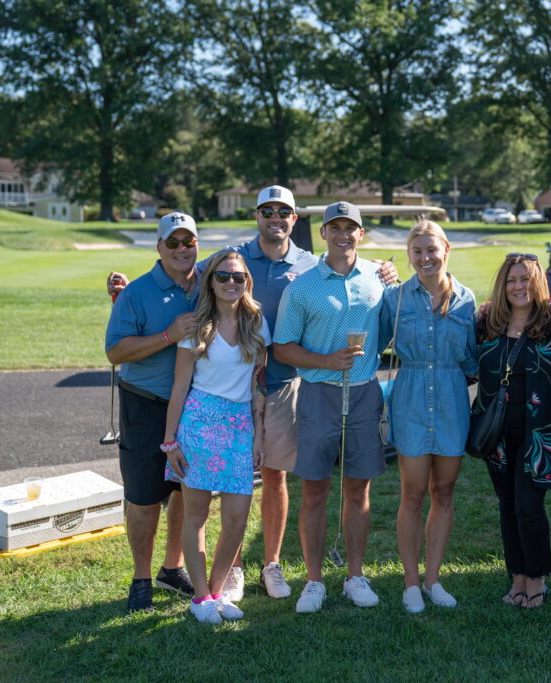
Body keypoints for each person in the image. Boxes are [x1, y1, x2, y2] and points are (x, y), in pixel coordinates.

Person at [107, 187, 397, 602]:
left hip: (280, 387)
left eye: (284, 211)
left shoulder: (312, 263)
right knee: (205, 490)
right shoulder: (234, 256)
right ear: (258, 215)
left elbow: (350, 269)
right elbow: (186, 271)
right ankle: (230, 570)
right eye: (267, 211)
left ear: (295, 220)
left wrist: (385, 271)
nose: (275, 217)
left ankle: (272, 563)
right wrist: (125, 289)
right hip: (219, 397)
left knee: (273, 477)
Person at [273, 201, 387, 614]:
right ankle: (315, 580)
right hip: (319, 393)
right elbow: (282, 347)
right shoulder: (302, 286)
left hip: (363, 392)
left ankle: (355, 575)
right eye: (334, 227)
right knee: (316, 489)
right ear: (323, 233)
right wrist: (326, 361)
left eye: (351, 227)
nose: (343, 234)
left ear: (361, 233)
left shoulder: (377, 278)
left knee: (358, 488)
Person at [162, 250, 269, 623]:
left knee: (237, 518)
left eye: (237, 277)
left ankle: (218, 590)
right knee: (197, 515)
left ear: (246, 282)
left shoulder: (256, 323)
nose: (230, 283)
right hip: (199, 422)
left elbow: (258, 384)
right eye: (222, 276)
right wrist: (170, 442)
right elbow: (179, 389)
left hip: (240, 425)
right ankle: (201, 598)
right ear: (210, 282)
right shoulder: (195, 326)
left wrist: (259, 435)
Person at [378, 221, 478, 613]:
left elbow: (472, 356)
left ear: (446, 250)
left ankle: (434, 579)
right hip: (411, 400)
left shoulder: (467, 300)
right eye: (417, 252)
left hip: (453, 400)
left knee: (445, 492)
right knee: (414, 493)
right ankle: (410, 584)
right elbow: (375, 345)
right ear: (409, 255)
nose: (425, 258)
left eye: (431, 250)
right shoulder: (396, 299)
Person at [104, 212, 199, 613]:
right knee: (144, 496)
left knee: (184, 491)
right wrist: (167, 336)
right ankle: (141, 576)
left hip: (194, 404)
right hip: (145, 402)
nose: (181, 249)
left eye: (188, 242)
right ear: (159, 247)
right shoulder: (137, 293)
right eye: (172, 242)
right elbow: (115, 351)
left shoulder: (209, 284)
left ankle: (171, 567)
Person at [473, 253, 551, 609]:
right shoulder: (486, 322)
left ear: (538, 283)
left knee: (529, 507)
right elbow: (469, 367)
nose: (519, 287)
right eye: (512, 280)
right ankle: (516, 576)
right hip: (495, 431)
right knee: (507, 506)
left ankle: (536, 579)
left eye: (526, 280)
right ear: (503, 285)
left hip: (540, 432)